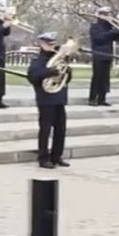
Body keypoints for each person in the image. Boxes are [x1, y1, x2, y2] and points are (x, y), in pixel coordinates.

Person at [27, 32, 71, 169]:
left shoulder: (60, 60)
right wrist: (49, 72)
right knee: (45, 130)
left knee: (61, 130)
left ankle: (56, 156)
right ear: (41, 44)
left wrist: (67, 71)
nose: (52, 46)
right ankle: (43, 158)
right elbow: (33, 77)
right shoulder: (37, 61)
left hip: (59, 98)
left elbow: (66, 80)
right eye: (48, 44)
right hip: (45, 100)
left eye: (53, 44)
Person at [88, 6, 119, 107]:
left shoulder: (110, 27)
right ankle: (92, 98)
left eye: (109, 15)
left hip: (108, 54)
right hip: (98, 54)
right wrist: (111, 32)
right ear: (100, 15)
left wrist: (117, 31)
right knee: (97, 77)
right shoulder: (95, 26)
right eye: (106, 15)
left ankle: (102, 99)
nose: (108, 17)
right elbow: (98, 38)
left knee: (105, 78)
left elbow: (117, 39)